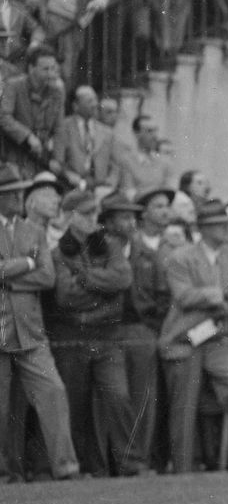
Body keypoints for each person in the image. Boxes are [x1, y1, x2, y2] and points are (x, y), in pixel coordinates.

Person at [158, 199, 228, 473]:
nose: (227, 228)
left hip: (216, 337)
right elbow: (184, 296)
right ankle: (182, 467)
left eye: (227, 223)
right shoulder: (181, 257)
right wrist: (221, 296)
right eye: (219, 225)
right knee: (184, 406)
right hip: (183, 339)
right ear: (203, 228)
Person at [48, 189, 136, 476]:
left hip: (106, 337)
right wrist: (103, 290)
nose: (92, 219)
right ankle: (85, 468)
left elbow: (123, 278)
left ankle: (130, 464)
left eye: (93, 213)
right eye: (85, 214)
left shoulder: (109, 245)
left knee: (119, 397)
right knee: (77, 404)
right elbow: (65, 296)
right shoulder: (58, 252)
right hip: (74, 339)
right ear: (70, 216)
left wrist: (84, 278)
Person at [0, 164, 80, 481]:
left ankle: (66, 468)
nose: (20, 197)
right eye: (13, 193)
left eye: (21, 191)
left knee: (54, 392)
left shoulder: (32, 231)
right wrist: (28, 262)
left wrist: (10, 276)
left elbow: (47, 277)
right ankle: (5, 474)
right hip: (3, 330)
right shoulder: (31, 236)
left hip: (31, 332)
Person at [101, 189, 169, 475]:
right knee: (118, 397)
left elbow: (164, 296)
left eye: (132, 217)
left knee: (143, 400)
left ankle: (138, 461)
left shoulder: (148, 255)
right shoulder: (98, 253)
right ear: (108, 222)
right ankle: (120, 461)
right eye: (123, 217)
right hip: (108, 331)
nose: (130, 223)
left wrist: (151, 328)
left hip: (141, 331)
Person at [33, 0, 109, 80]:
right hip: (48, 21)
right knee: (41, 65)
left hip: (71, 27)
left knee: (66, 70)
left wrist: (97, 2)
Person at [0, 45, 63, 174]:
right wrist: (28, 136)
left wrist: (58, 159)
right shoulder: (13, 86)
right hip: (15, 155)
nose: (51, 74)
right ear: (31, 68)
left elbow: (59, 129)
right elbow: (4, 117)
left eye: (53, 68)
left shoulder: (57, 91)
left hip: (42, 158)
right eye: (45, 69)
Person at [53, 85, 118, 189]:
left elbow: (115, 165)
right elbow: (58, 162)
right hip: (72, 187)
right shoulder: (63, 128)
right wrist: (69, 176)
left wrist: (110, 184)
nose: (95, 104)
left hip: (102, 188)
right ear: (76, 105)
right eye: (89, 101)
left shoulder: (107, 132)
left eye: (95, 100)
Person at [117, 115, 175, 198]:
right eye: (149, 131)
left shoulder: (165, 162)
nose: (155, 136)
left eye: (156, 131)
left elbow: (170, 190)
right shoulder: (126, 161)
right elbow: (129, 192)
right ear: (136, 133)